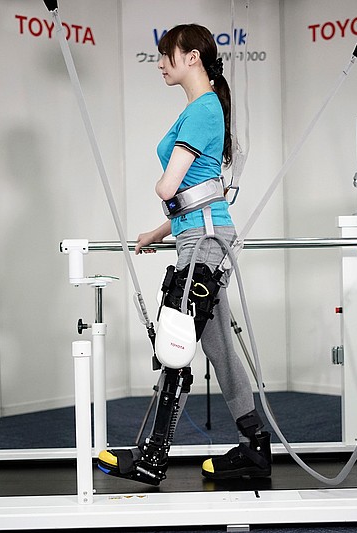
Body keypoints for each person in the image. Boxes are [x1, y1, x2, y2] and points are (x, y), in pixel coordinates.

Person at [97, 23, 271, 486]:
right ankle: (255, 446)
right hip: (198, 235)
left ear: (191, 57)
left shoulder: (203, 110)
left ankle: (154, 455)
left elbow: (171, 186)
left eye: (166, 55)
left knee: (175, 340)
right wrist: (161, 229)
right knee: (217, 346)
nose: (159, 63)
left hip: (205, 242)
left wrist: (162, 194)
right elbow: (198, 192)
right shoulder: (204, 107)